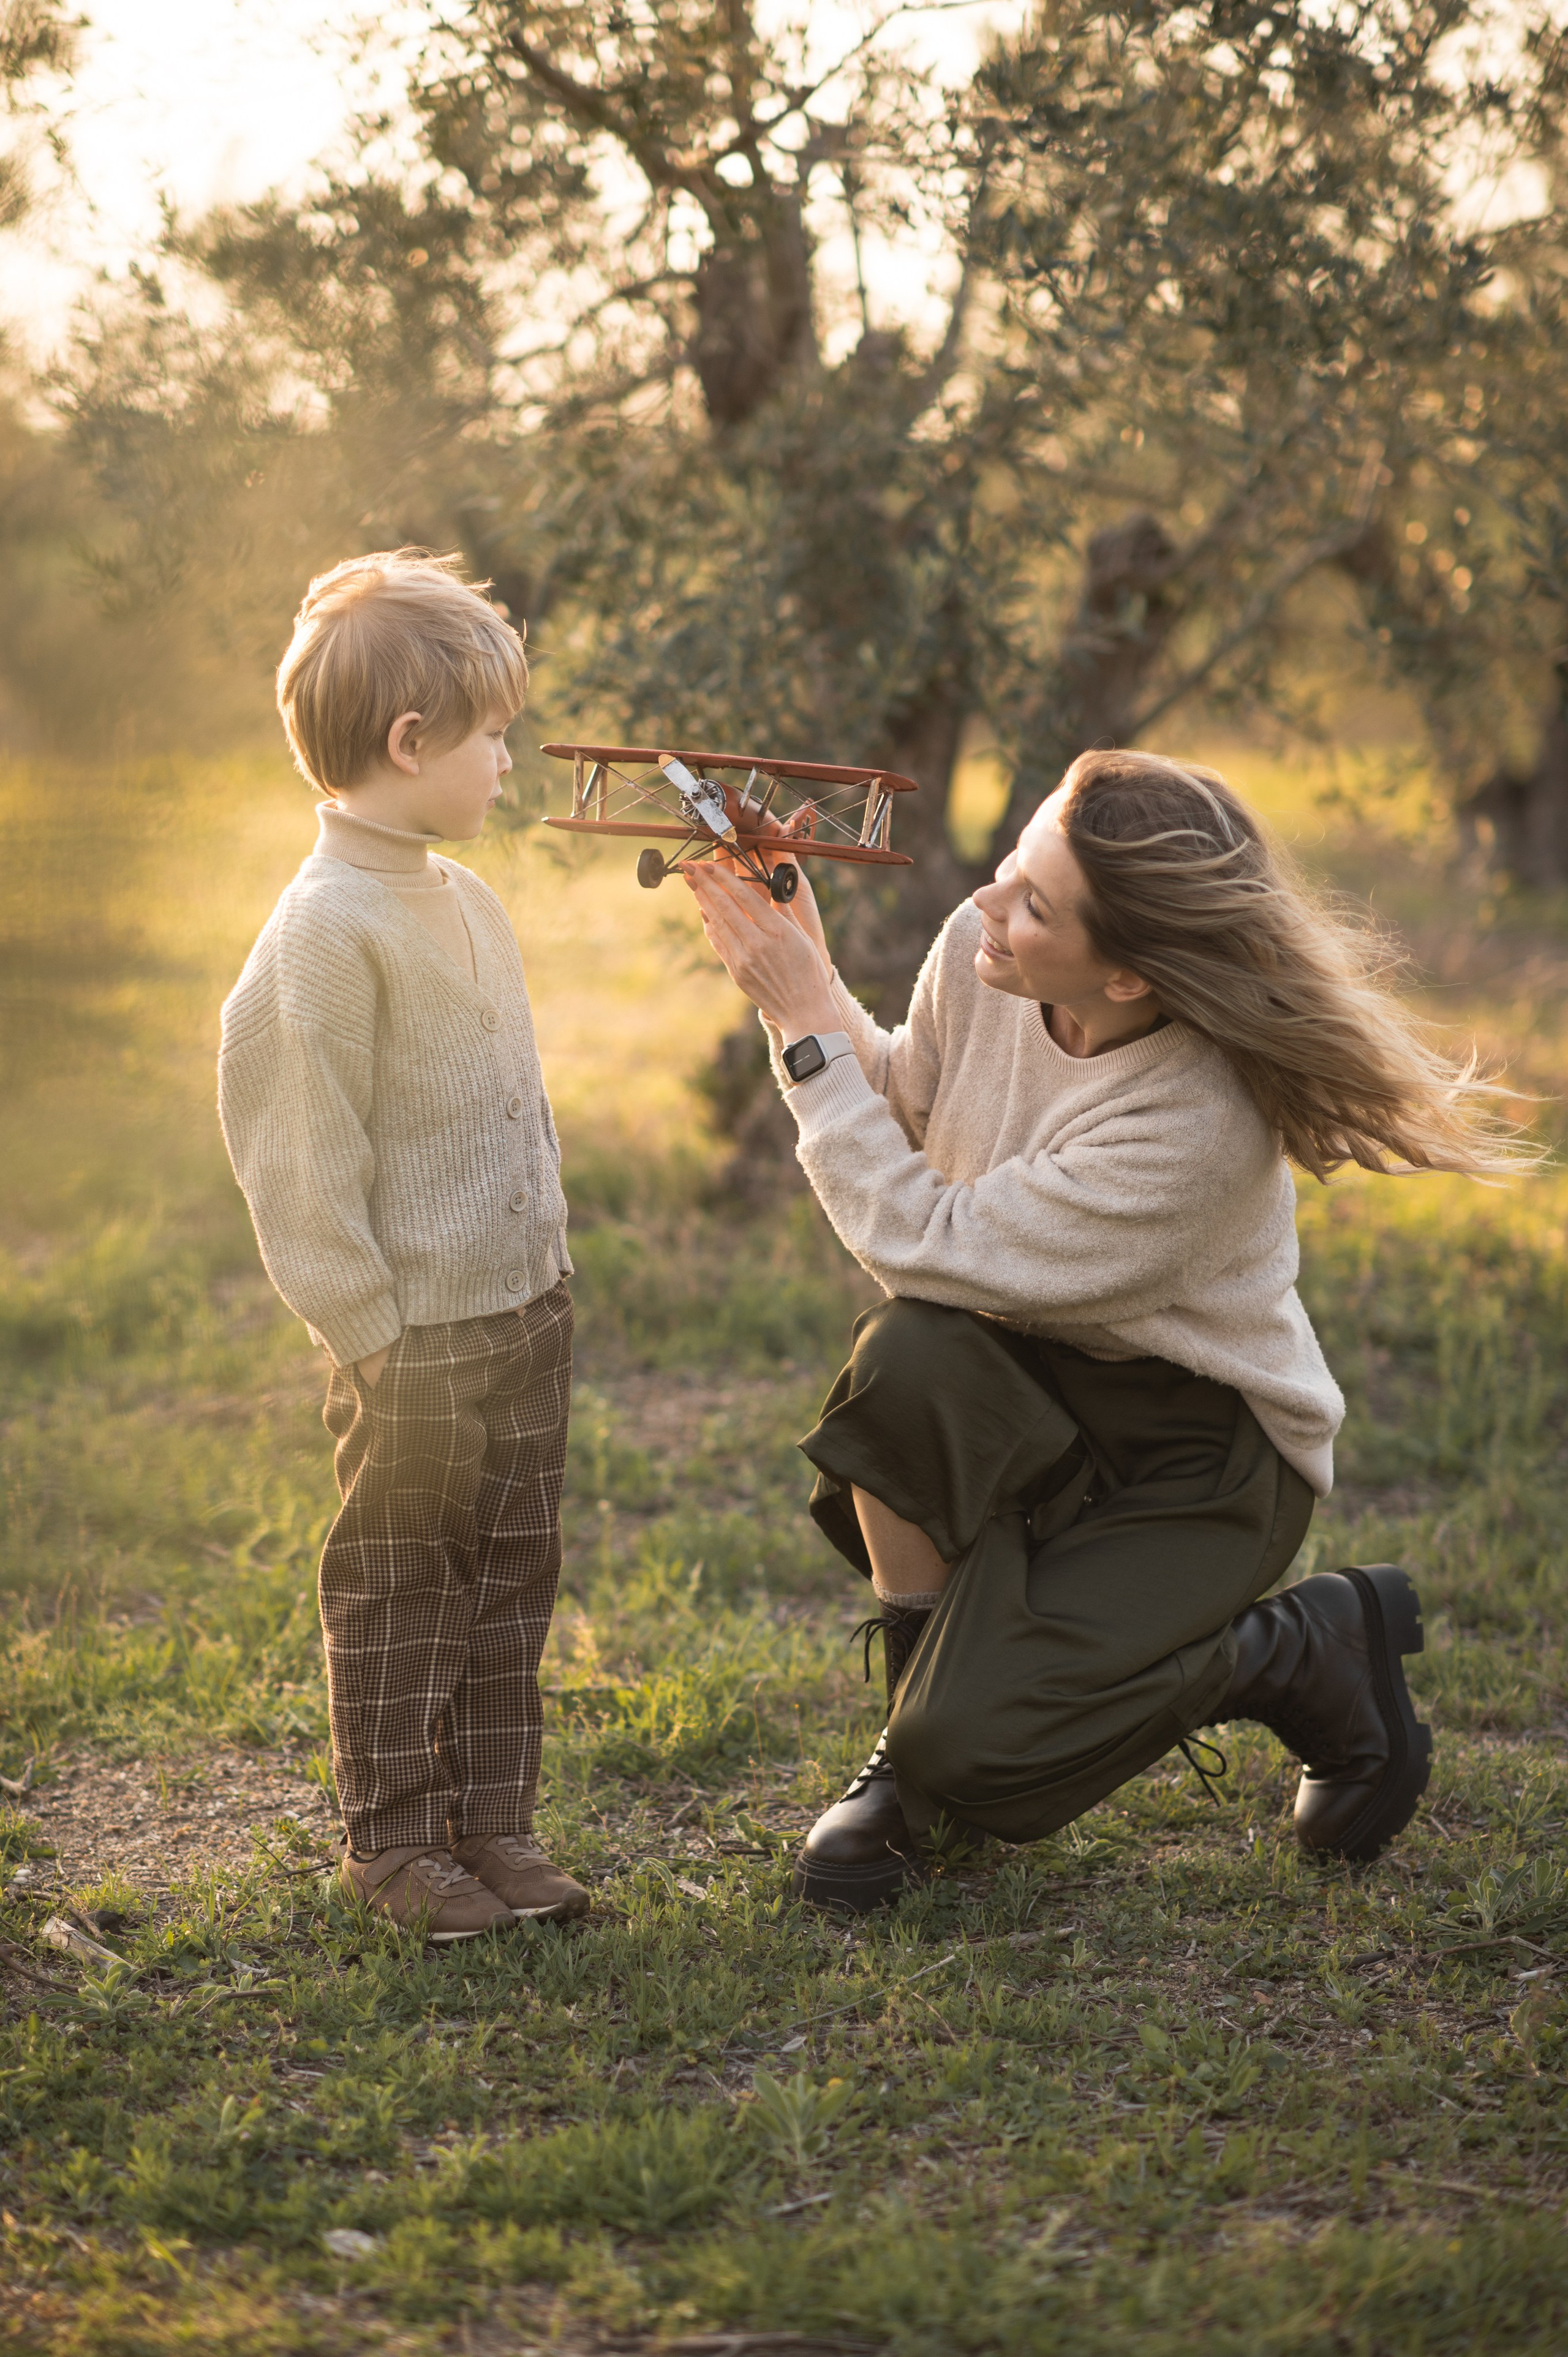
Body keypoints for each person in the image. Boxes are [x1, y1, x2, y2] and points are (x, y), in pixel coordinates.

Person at [687, 750, 1528, 1912]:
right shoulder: (983, 962)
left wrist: (797, 1014)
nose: (989, 902)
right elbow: (908, 1119)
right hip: (1036, 1388)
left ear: (1128, 975)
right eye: (1013, 866)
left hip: (1198, 1455)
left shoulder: (1196, 1124)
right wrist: (814, 980)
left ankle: (1293, 1649)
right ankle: (915, 1752)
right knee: (907, 1360)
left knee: (982, 1752)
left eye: (1036, 902)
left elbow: (923, 1235)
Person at [219, 549, 589, 1940]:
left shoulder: (466, 898)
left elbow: (508, 1105)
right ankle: (392, 1845)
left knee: (510, 1572)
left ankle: (492, 1822)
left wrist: (548, 1264)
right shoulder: (322, 932)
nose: (509, 760)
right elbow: (298, 1159)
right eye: (492, 735)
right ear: (409, 741)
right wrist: (365, 1331)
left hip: (525, 1313)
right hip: (414, 1340)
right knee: (399, 1583)